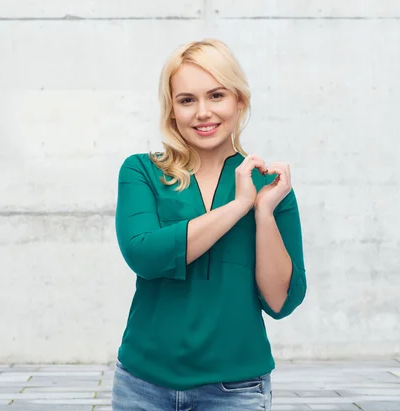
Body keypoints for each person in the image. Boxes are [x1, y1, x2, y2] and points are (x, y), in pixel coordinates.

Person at [112, 38, 307, 410]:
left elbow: (281, 301)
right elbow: (144, 254)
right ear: (172, 111)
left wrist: (262, 212)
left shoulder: (271, 187)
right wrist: (239, 206)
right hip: (143, 385)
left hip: (236, 389)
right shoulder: (141, 171)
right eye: (187, 100)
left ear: (239, 100)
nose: (203, 112)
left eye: (216, 95)